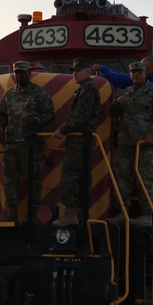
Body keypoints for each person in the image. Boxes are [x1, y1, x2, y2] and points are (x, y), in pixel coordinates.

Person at [107, 62, 153, 225]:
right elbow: (112, 114)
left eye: (139, 72)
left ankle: (147, 215)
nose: (136, 75)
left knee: (145, 179)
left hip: (145, 145)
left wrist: (152, 133)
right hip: (125, 144)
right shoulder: (126, 92)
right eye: (133, 73)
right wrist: (117, 102)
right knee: (122, 179)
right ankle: (122, 212)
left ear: (145, 74)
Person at [0, 61, 55, 221]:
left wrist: (34, 120)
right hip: (12, 145)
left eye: (22, 72)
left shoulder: (39, 93)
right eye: (16, 72)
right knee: (9, 180)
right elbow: (1, 117)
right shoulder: (8, 94)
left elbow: (50, 114)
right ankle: (12, 212)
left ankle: (32, 214)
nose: (19, 75)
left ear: (29, 73)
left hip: (32, 146)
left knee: (33, 181)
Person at [51, 58, 103, 226]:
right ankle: (81, 214)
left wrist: (62, 130)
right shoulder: (86, 89)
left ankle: (70, 213)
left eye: (77, 70)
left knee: (71, 175)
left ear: (87, 71)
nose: (74, 74)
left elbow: (80, 116)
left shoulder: (87, 89)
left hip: (80, 140)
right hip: (82, 140)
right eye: (73, 70)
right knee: (82, 176)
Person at [95, 56, 153, 142]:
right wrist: (103, 69)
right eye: (136, 71)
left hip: (150, 134)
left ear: (152, 69)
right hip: (128, 138)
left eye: (144, 70)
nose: (138, 73)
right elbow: (120, 79)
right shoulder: (132, 85)